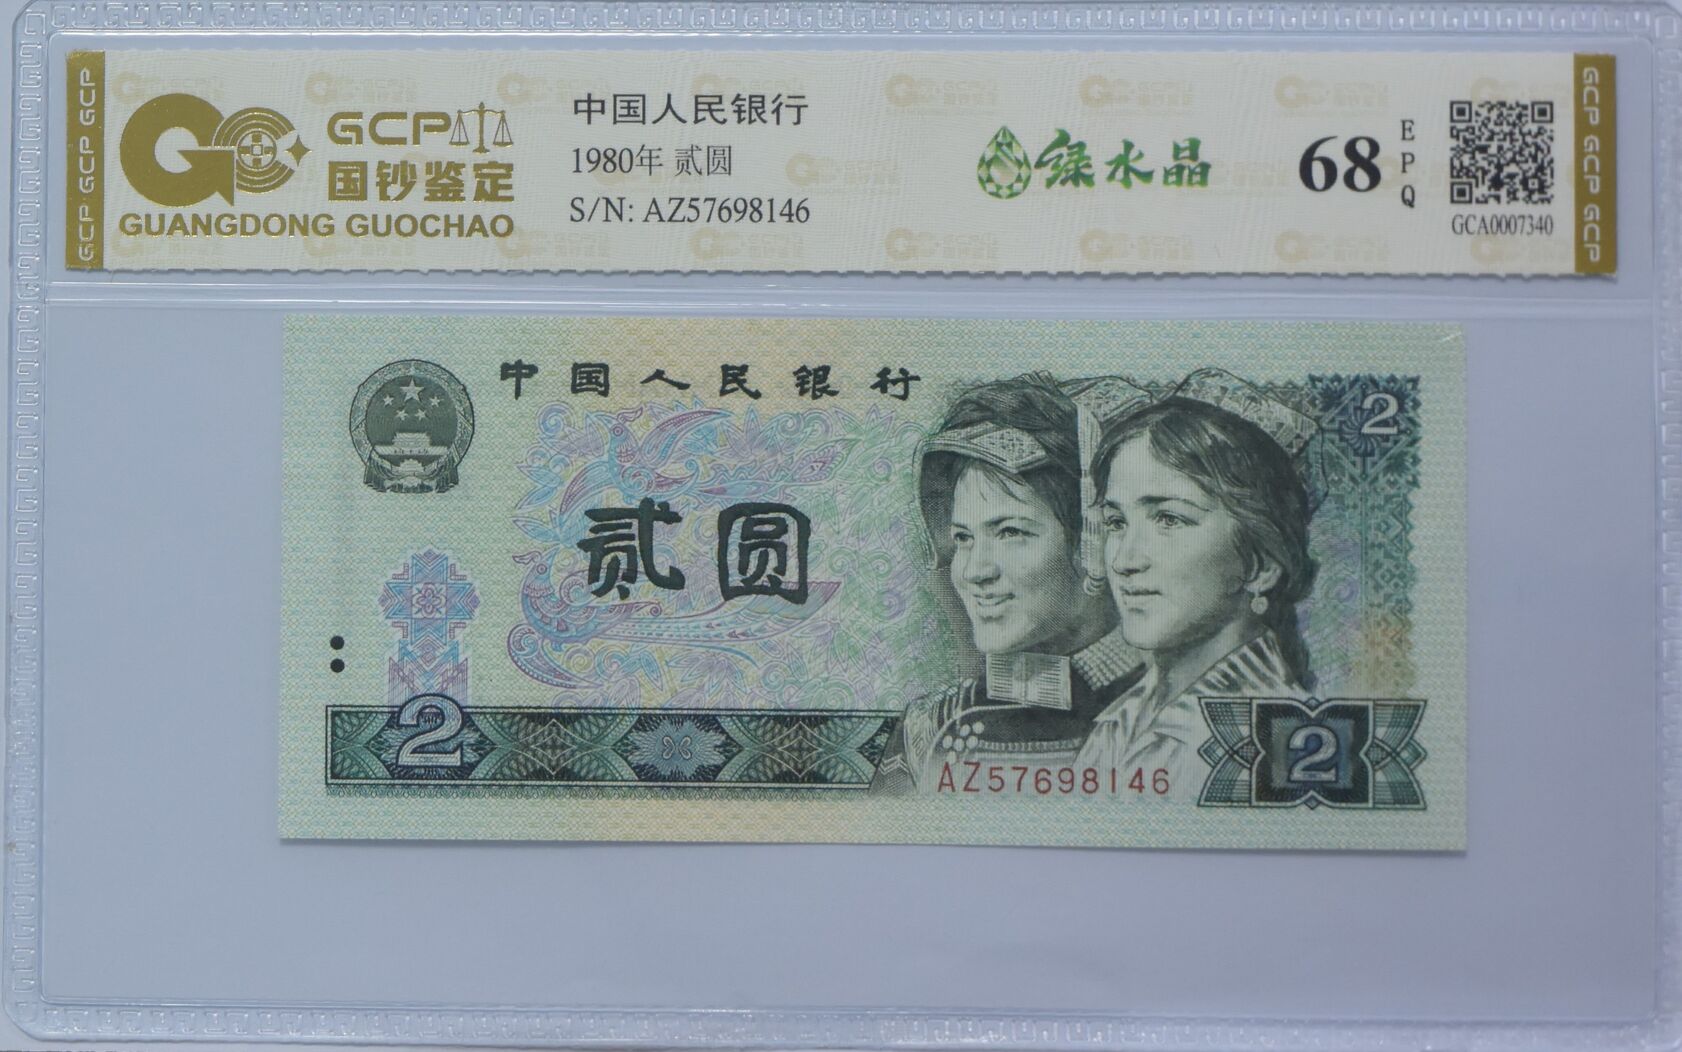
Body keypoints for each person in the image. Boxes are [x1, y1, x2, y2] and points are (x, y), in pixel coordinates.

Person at [870, 373, 1145, 795]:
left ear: (1096, 540)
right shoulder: (930, 730)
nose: (974, 571)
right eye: (963, 538)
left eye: (1010, 532)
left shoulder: (1180, 713)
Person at [1074, 369, 1318, 803]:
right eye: (1116, 522)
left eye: (1168, 519)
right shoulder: (1120, 721)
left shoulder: (1279, 741)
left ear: (1260, 564)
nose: (1125, 561)